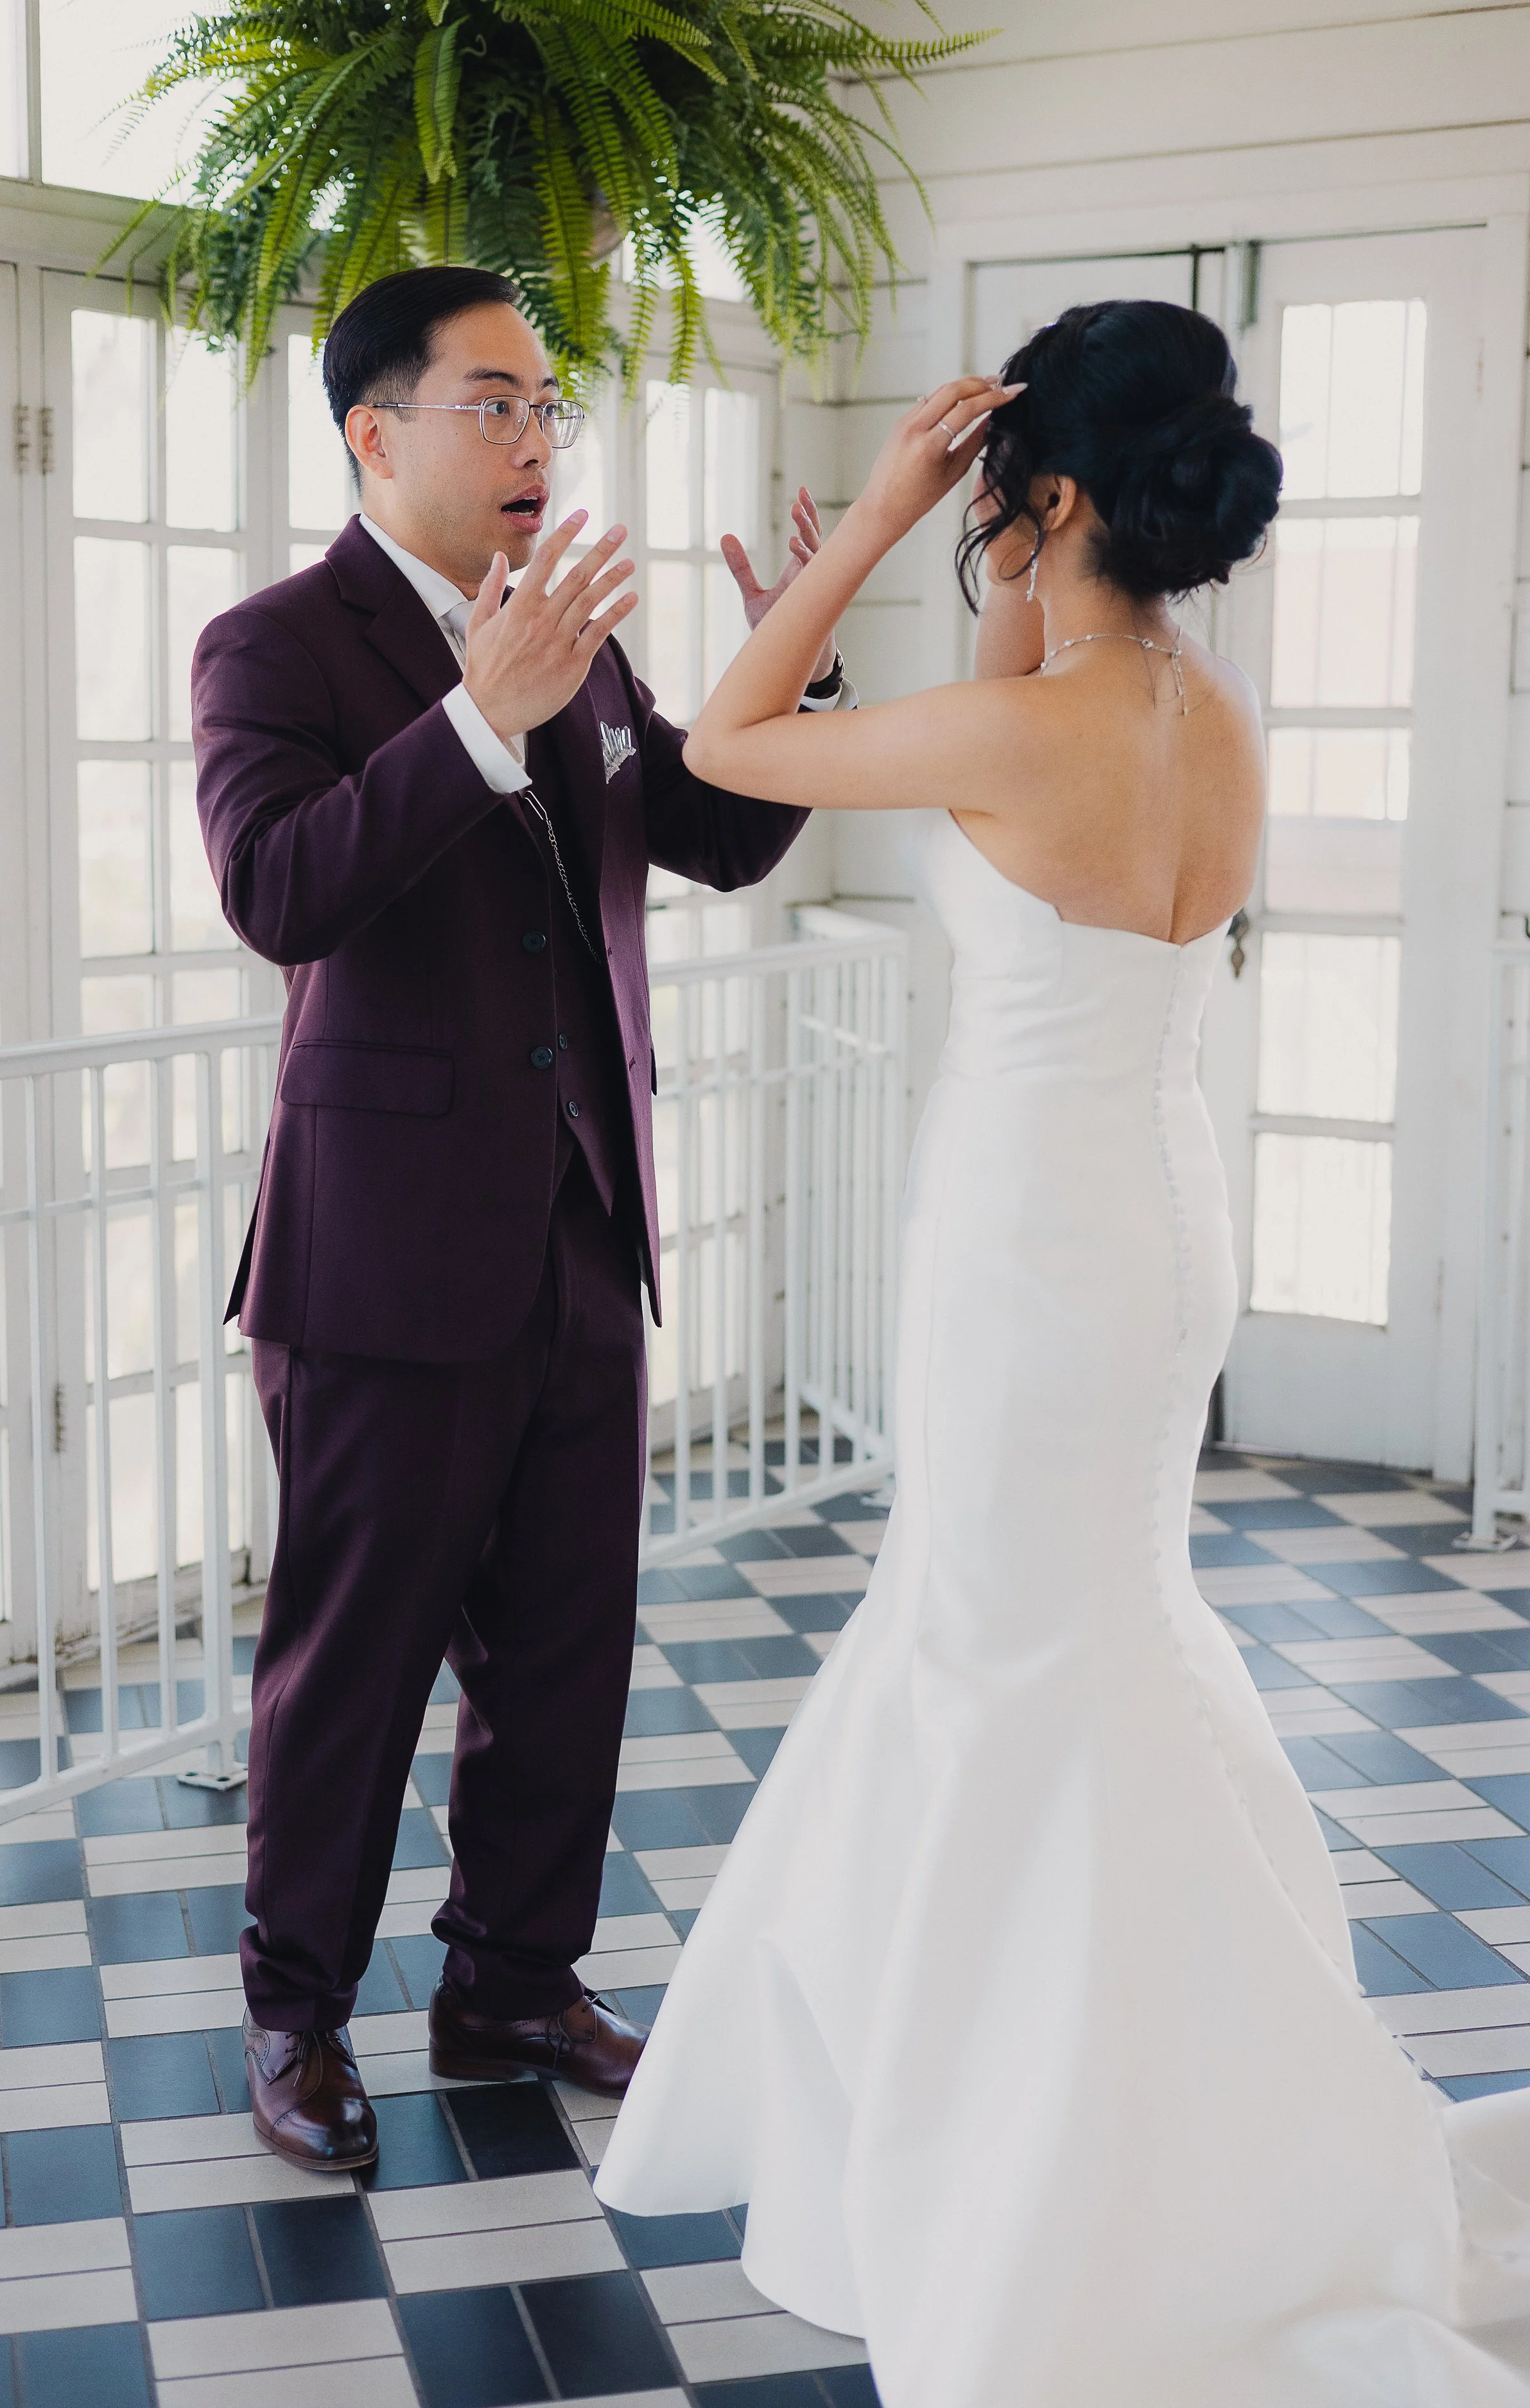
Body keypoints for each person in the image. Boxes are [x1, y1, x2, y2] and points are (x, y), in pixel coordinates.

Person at [594, 301, 1530, 2405]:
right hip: (1153, 1219)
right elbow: (1015, 759)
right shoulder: (1201, 713)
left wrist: (873, 535)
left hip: (1022, 1248)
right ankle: (1102, 2087)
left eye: (1004, 484)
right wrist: (995, 576)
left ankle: (1045, 2154)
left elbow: (729, 742)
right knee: (1076, 1631)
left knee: (1017, 1661)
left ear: (1054, 488)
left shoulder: (1031, 732)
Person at [191, 264, 852, 2173]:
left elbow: (712, 831)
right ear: (371, 431)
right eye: (492, 403)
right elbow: (280, 889)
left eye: (547, 407)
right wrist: (476, 722)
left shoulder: (566, 628)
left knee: (570, 1648)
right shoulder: (275, 646)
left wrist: (792, 672)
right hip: (381, 1253)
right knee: (352, 1662)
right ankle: (294, 2014)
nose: (534, 440)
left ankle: (509, 1978)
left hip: (582, 1227)